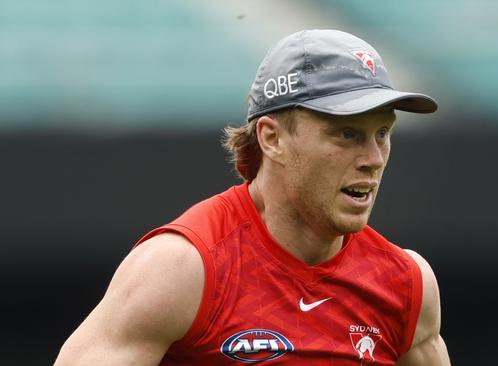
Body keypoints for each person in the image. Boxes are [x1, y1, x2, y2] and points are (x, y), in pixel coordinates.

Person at [55, 29, 451, 365]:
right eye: (347, 134)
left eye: (382, 133)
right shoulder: (183, 269)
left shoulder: (407, 285)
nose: (373, 159)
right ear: (272, 138)